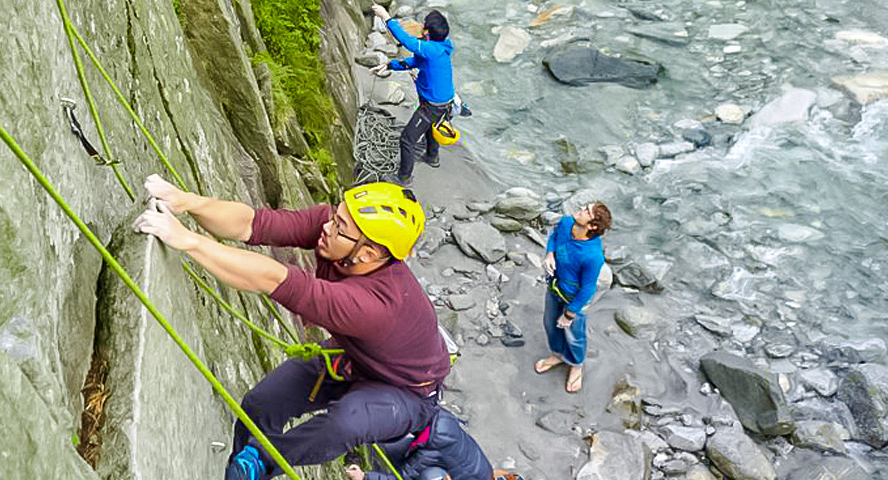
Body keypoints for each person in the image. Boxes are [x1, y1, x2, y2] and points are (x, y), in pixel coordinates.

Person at [132, 175, 451, 480]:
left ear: (368, 253)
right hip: (355, 359)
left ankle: (260, 463)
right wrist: (188, 202)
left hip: (407, 393)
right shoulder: (341, 238)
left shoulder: (376, 306)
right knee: (261, 404)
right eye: (335, 216)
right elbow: (253, 224)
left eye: (338, 226)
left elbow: (274, 280)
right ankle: (242, 469)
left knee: (346, 422)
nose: (326, 225)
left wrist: (188, 241)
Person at [370, 5, 462, 185]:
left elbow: (406, 41)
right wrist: (390, 65)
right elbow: (415, 61)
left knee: (407, 139)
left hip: (432, 106)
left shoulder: (430, 49)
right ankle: (432, 157)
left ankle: (403, 178)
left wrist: (386, 17)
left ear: (427, 31)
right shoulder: (440, 47)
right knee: (430, 127)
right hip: (443, 103)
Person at [531, 202, 610, 393]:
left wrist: (570, 313)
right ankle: (557, 354)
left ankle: (576, 364)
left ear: (591, 226)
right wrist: (550, 253)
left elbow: (588, 288)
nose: (580, 209)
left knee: (574, 335)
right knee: (550, 323)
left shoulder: (592, 256)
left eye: (586, 211)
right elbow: (554, 237)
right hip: (555, 287)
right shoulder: (567, 223)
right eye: (584, 206)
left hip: (575, 298)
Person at [338, 410, 510, 480]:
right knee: (382, 447)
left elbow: (404, 477)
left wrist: (365, 477)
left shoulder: (434, 442)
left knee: (426, 475)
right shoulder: (441, 422)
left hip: (432, 466)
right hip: (430, 453)